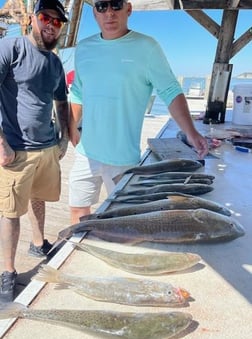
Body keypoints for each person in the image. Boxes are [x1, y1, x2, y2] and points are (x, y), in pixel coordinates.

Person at [69, 0, 209, 224]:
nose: (109, 13)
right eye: (102, 6)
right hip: (85, 153)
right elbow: (77, 92)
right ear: (94, 13)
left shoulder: (147, 47)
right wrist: (71, 128)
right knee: (78, 212)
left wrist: (191, 133)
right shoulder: (84, 48)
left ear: (129, 9)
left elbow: (171, 91)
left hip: (123, 158)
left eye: (116, 5)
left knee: (123, 218)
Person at [0, 0, 69, 303]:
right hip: (16, 150)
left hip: (47, 147)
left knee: (39, 198)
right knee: (11, 212)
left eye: (58, 21)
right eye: (46, 18)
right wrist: (1, 143)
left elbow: (61, 101)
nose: (51, 25)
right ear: (32, 19)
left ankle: (39, 242)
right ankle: (8, 271)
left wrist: (65, 135)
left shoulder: (55, 62)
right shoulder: (11, 48)